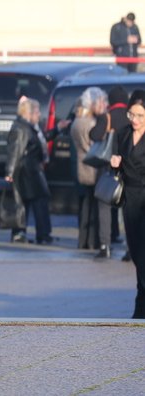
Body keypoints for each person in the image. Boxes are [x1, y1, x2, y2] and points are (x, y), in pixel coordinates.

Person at [108, 96, 145, 318]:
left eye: (140, 115)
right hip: (130, 199)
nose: (135, 120)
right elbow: (117, 168)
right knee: (136, 252)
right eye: (132, 114)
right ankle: (141, 301)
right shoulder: (122, 133)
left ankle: (140, 307)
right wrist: (115, 165)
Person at [5, 97, 53, 245]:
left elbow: (38, 141)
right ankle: (25, 233)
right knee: (28, 202)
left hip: (32, 170)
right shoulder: (21, 128)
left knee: (36, 201)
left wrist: (57, 130)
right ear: (29, 113)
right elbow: (15, 151)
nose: (39, 114)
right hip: (27, 171)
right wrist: (10, 172)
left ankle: (38, 233)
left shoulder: (28, 126)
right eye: (37, 111)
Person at [92, 86, 130, 257]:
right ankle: (131, 248)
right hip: (129, 168)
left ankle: (104, 246)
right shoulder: (133, 118)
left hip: (108, 168)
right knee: (128, 210)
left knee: (104, 206)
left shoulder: (106, 117)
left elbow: (94, 135)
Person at [71, 87, 106, 250]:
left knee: (85, 204)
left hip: (81, 166)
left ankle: (83, 240)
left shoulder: (77, 122)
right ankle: (93, 241)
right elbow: (96, 144)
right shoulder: (91, 123)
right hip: (93, 168)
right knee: (93, 206)